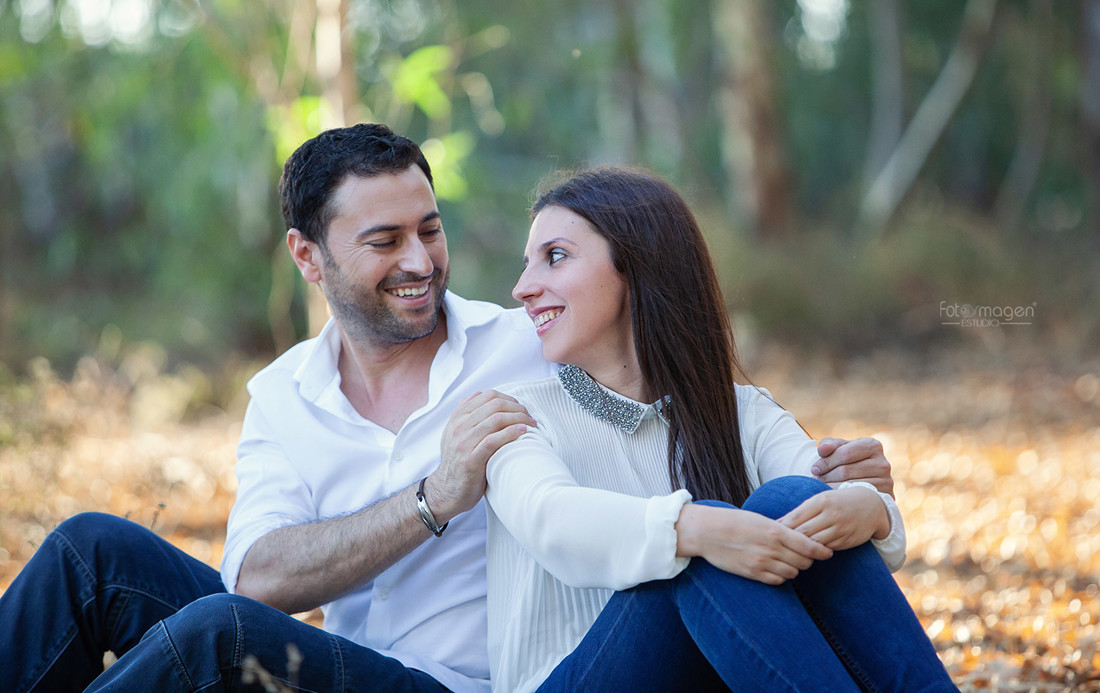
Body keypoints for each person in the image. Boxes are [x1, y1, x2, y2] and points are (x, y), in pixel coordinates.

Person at [0, 125, 897, 693]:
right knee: (92, 552)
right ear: (308, 259)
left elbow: (669, 381)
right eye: (384, 240)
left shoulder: (528, 340)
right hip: (347, 666)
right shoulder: (284, 395)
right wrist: (435, 496)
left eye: (429, 228)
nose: (422, 260)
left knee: (214, 636)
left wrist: (847, 481)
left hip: (474, 680)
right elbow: (260, 577)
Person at [484, 167, 957, 692]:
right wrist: (697, 529)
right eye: (527, 264)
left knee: (792, 497)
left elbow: (821, 495)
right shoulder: (513, 416)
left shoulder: (741, 411)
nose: (523, 288)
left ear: (636, 264)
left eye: (555, 256)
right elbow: (552, 522)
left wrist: (867, 506)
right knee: (697, 547)